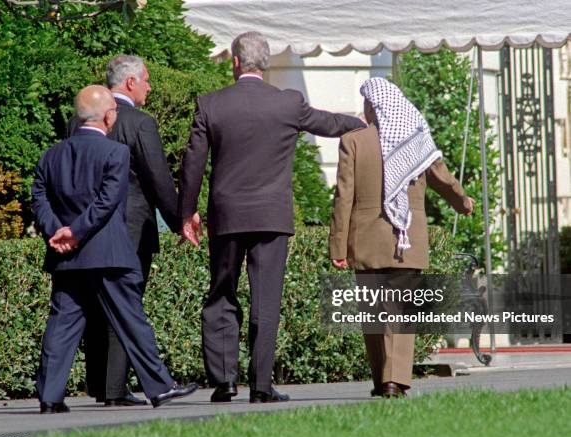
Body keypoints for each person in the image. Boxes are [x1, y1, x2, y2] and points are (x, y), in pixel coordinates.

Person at [178, 31, 366, 403]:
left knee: (221, 294)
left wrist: (187, 212)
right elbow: (328, 124)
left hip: (226, 216)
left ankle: (225, 380)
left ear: (235, 62)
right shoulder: (288, 103)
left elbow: (192, 164)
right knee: (266, 299)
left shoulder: (211, 104)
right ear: (263, 63)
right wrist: (363, 124)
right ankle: (261, 385)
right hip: (271, 217)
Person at [32, 85, 197, 413]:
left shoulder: (51, 155)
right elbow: (108, 201)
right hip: (109, 254)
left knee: (62, 325)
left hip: (66, 257)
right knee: (131, 320)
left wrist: (59, 231)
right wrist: (76, 231)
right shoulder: (114, 153)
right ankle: (161, 387)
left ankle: (50, 397)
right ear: (107, 116)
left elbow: (39, 198)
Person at [329, 77, 474, 398]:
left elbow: (343, 196)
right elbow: (443, 179)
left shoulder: (353, 141)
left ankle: (382, 380)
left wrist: (338, 245)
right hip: (405, 240)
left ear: (373, 105)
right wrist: (462, 201)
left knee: (373, 311)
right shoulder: (415, 138)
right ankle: (394, 379)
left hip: (364, 239)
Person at [68, 55, 193, 406]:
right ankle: (114, 389)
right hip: (131, 230)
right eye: (147, 80)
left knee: (95, 306)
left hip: (87, 228)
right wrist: (180, 220)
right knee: (126, 304)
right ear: (130, 83)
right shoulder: (141, 122)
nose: (150, 87)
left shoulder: (75, 120)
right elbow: (158, 181)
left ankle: (100, 385)